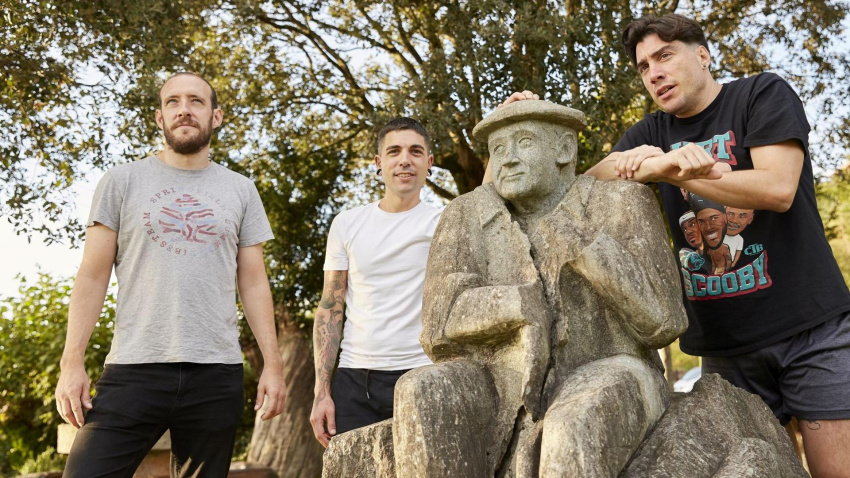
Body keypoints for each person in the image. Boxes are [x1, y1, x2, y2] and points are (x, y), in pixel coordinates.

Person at [502, 12, 850, 477]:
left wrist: (677, 172)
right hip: (726, 348)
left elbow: (778, 187)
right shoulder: (651, 133)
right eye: (644, 66)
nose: (654, 73)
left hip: (811, 331)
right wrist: (531, 119)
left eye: (664, 56)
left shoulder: (760, 94)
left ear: (703, 55)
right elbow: (582, 190)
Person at [390, 100, 686, 476]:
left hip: (613, 368)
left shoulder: (620, 201)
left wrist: (591, 250)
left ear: (564, 149)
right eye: (498, 149)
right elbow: (436, 327)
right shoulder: (466, 214)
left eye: (525, 142)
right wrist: (514, 304)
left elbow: (666, 322)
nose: (508, 159)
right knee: (420, 389)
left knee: (570, 425)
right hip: (497, 379)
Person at [55, 72, 287, 477]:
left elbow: (253, 282)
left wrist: (274, 364)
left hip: (216, 372)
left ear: (216, 116)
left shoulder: (241, 189)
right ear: (160, 118)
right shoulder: (121, 181)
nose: (184, 110)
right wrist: (71, 362)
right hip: (135, 366)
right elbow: (92, 276)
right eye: (173, 102)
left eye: (196, 101)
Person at [309, 117, 442, 448]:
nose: (404, 160)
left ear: (429, 162)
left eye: (415, 151)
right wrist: (322, 392)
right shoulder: (347, 223)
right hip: (355, 382)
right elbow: (330, 306)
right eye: (394, 151)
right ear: (378, 162)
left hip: (422, 375)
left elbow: (487, 198)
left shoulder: (444, 221)